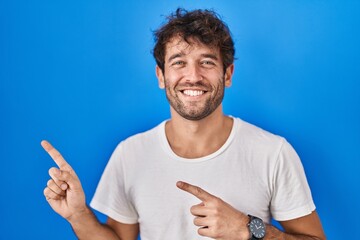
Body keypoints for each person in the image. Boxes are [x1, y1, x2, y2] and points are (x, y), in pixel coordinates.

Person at [43, 8, 326, 240]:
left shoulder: (273, 152)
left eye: (206, 62)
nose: (193, 76)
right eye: (179, 62)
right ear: (161, 76)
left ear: (227, 74)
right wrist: (78, 215)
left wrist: (247, 229)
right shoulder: (130, 154)